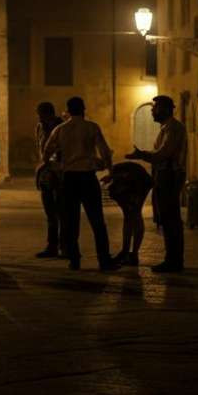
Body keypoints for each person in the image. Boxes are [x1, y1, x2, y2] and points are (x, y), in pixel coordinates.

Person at [42, 96, 115, 271]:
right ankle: (104, 260)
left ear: (68, 110)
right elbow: (104, 151)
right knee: (97, 220)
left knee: (70, 221)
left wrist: (57, 167)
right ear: (84, 109)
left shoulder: (60, 129)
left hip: (69, 179)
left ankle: (74, 260)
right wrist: (108, 169)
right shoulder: (91, 127)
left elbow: (46, 152)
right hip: (88, 177)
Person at [127, 95, 187, 273]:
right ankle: (172, 259)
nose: (152, 111)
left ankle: (174, 261)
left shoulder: (173, 128)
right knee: (167, 219)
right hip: (164, 174)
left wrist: (142, 155)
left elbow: (163, 153)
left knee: (170, 219)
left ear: (166, 109)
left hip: (169, 175)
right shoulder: (166, 128)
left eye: (155, 108)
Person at [101, 161, 154, 267]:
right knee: (129, 217)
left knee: (136, 215)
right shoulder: (117, 188)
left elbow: (139, 185)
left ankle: (133, 254)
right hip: (132, 182)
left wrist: (134, 204)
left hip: (141, 182)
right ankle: (125, 252)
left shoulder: (133, 183)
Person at [34, 102, 65, 259]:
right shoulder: (40, 127)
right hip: (46, 173)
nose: (40, 119)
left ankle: (64, 246)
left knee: (62, 211)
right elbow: (40, 149)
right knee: (50, 212)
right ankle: (52, 245)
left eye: (42, 115)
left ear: (50, 115)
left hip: (59, 174)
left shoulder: (62, 127)